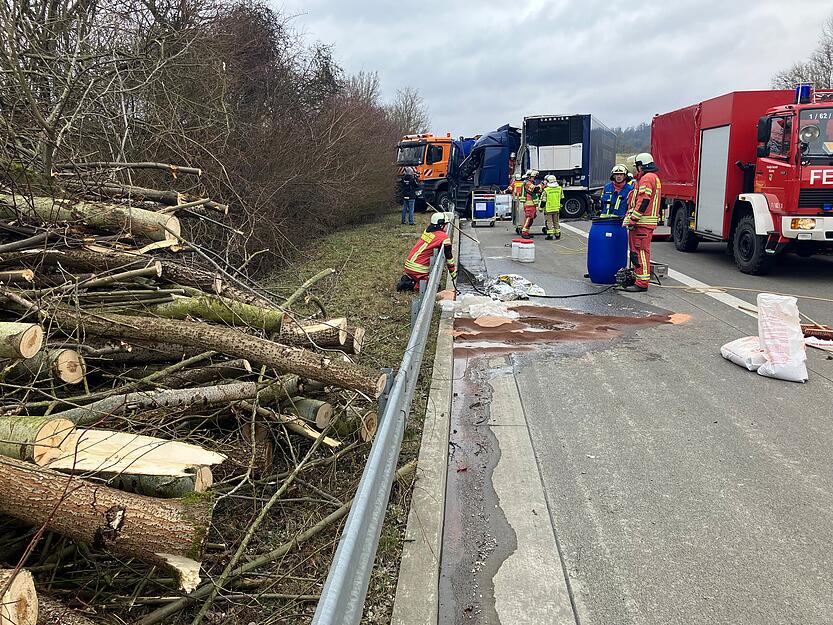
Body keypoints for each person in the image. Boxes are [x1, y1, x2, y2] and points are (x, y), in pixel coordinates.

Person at [622, 153, 661, 292]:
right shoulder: (650, 178)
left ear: (641, 166)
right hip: (642, 223)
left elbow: (644, 200)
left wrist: (633, 219)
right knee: (637, 252)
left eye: (636, 166)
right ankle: (638, 278)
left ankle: (642, 283)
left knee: (640, 253)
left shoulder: (647, 178)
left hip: (642, 224)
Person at [396, 212, 457, 292]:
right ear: (441, 225)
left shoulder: (427, 231)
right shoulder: (444, 238)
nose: (447, 227)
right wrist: (453, 272)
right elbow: (449, 256)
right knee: (432, 287)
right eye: (446, 224)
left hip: (409, 264)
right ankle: (408, 285)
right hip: (418, 269)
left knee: (431, 284)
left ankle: (410, 280)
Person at [540, 174, 562, 240]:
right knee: (556, 221)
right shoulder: (559, 188)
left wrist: (541, 207)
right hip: (556, 208)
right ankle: (557, 234)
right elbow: (561, 198)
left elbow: (543, 201)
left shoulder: (546, 190)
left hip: (548, 209)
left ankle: (550, 235)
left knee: (549, 222)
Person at [520, 170, 541, 239]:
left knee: (531, 218)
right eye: (533, 177)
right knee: (529, 218)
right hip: (529, 204)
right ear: (529, 177)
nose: (534, 178)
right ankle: (524, 232)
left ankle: (526, 232)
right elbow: (535, 189)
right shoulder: (527, 183)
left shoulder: (529, 182)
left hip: (531, 204)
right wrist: (542, 184)